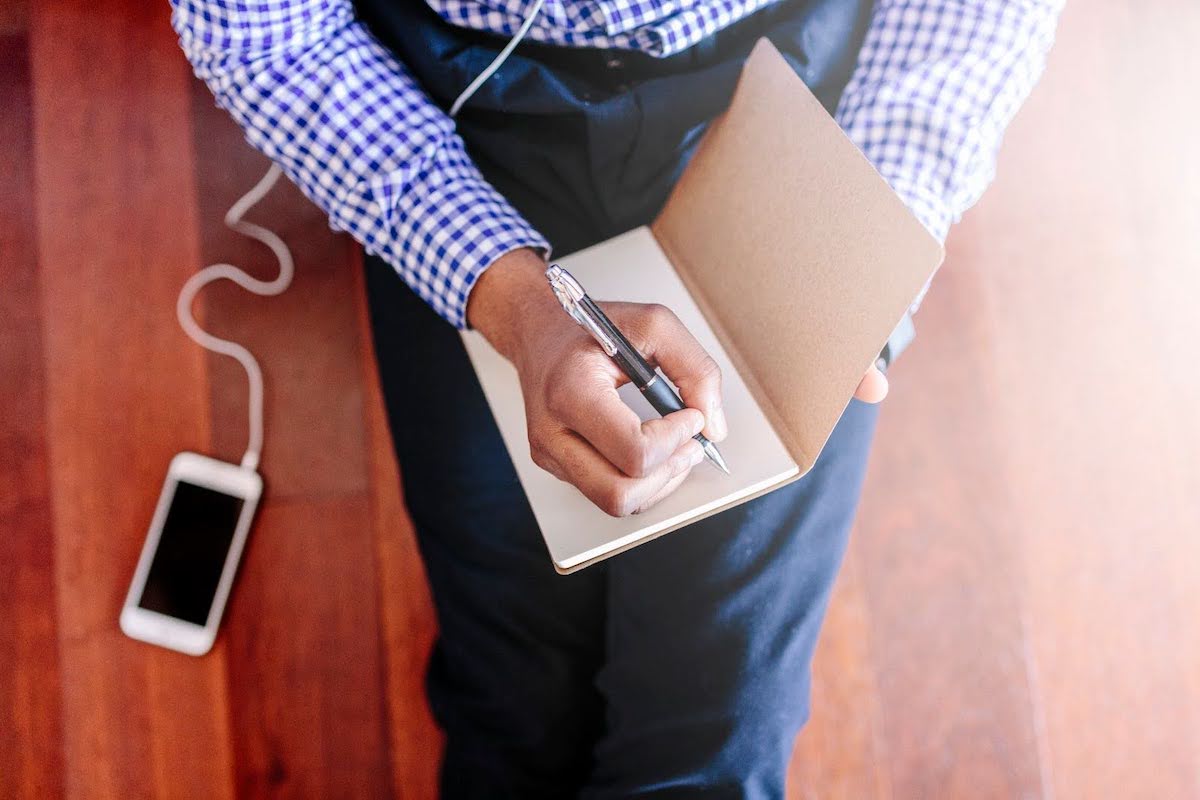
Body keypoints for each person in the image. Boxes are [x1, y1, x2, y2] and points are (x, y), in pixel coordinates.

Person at [172, 0, 1061, 794]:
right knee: (509, 707)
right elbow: (261, 30)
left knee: (718, 729)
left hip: (789, 97)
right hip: (460, 110)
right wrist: (511, 302)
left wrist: (864, 232)